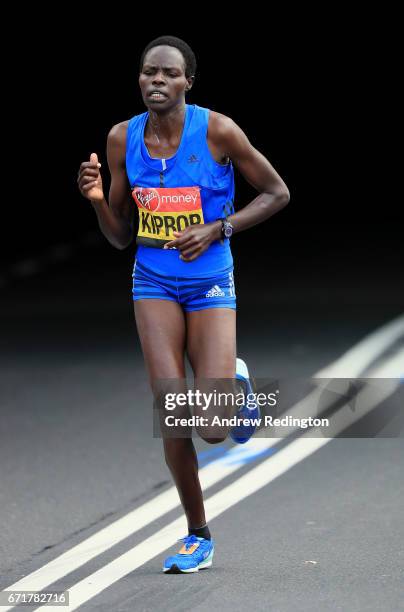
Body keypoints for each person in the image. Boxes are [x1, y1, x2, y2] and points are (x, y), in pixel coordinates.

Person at [77, 35, 290, 574]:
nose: (156, 81)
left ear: (187, 82)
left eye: (169, 74)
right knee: (172, 412)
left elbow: (276, 192)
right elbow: (122, 238)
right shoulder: (123, 138)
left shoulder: (217, 130)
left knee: (214, 428)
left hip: (211, 281)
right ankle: (198, 534)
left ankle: (236, 389)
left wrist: (219, 227)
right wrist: (101, 201)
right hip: (152, 281)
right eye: (148, 72)